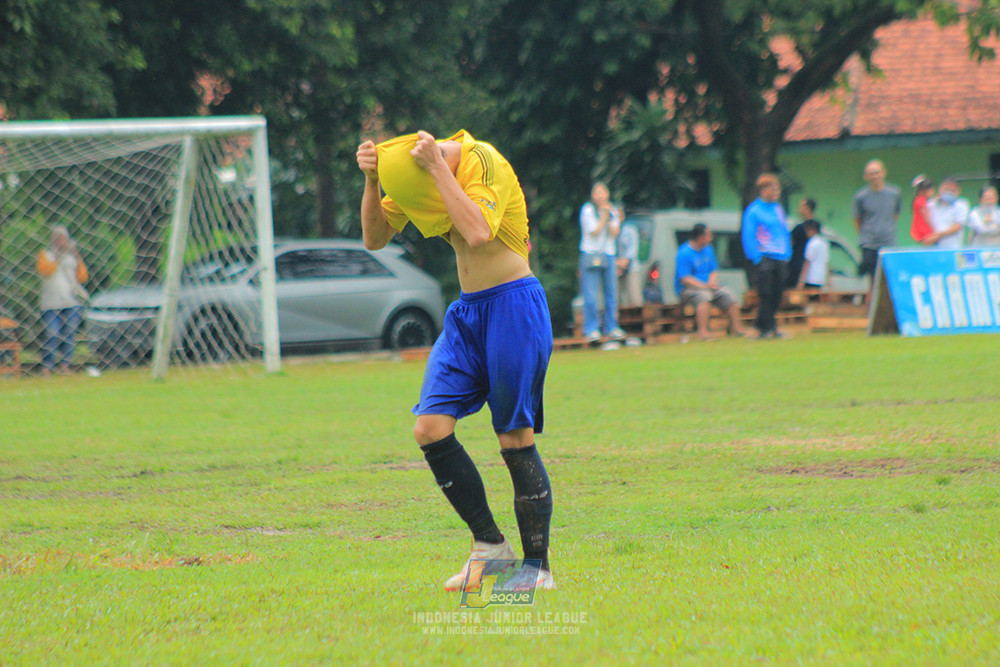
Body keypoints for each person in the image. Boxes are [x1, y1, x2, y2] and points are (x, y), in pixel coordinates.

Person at [356, 129, 555, 592]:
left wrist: (436, 170)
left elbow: (477, 231)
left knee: (513, 437)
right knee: (429, 427)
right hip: (467, 314)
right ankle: (490, 548)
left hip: (513, 306)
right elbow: (373, 237)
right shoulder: (418, 176)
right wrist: (372, 182)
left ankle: (537, 568)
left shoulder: (482, 161)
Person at [675, 223, 749, 340]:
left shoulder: (708, 250)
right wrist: (704, 286)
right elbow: (684, 278)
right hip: (689, 289)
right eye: (708, 235)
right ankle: (703, 333)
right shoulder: (684, 253)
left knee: (729, 294)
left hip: (709, 286)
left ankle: (736, 329)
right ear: (700, 237)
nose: (711, 238)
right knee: (704, 297)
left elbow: (713, 270)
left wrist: (712, 283)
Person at [741, 173, 792, 340]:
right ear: (763, 190)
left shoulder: (778, 209)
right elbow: (748, 234)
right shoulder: (754, 211)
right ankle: (770, 328)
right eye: (773, 188)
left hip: (780, 256)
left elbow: (784, 231)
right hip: (764, 256)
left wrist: (787, 252)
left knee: (777, 294)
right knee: (766, 293)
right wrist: (755, 257)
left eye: (778, 188)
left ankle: (761, 327)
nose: (776, 191)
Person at [36, 225, 89, 375]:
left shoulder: (72, 257)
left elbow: (82, 277)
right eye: (57, 239)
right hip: (51, 303)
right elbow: (45, 271)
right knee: (52, 333)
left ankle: (65, 365)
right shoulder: (46, 255)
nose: (60, 242)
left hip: (71, 302)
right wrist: (58, 255)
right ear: (52, 240)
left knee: (69, 333)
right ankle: (47, 366)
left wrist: (77, 256)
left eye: (63, 239)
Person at [579, 182, 626, 342]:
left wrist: (611, 217)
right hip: (591, 254)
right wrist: (603, 217)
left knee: (611, 293)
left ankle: (612, 327)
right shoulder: (587, 210)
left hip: (609, 254)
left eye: (603, 192)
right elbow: (593, 232)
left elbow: (614, 233)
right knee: (590, 294)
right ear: (593, 195)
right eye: (597, 193)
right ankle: (591, 328)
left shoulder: (612, 209)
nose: (601, 196)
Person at [852, 159, 901, 280]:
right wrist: (866, 235)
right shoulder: (860, 196)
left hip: (888, 243)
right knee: (872, 279)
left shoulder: (894, 193)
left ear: (884, 173)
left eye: (877, 172)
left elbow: (895, 215)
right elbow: (857, 219)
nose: (875, 176)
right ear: (865, 176)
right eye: (871, 173)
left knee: (889, 277)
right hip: (869, 244)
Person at [926, 177, 969, 249]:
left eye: (952, 191)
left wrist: (938, 235)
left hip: (953, 248)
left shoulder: (961, 204)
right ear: (940, 189)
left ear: (958, 192)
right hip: (932, 248)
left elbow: (957, 227)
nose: (949, 192)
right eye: (946, 189)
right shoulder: (930, 204)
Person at [786, 198, 818, 288]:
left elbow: (791, 242)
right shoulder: (818, 226)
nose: (798, 209)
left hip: (798, 266)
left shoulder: (800, 228)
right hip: (810, 270)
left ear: (808, 208)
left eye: (801, 206)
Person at [616, 219, 642, 308]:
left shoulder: (630, 230)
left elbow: (632, 251)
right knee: (618, 298)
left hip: (631, 268)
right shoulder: (609, 230)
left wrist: (623, 263)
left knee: (635, 298)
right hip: (615, 268)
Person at [796, 220, 829, 290]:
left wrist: (801, 280)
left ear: (812, 230)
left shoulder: (812, 243)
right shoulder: (824, 243)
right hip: (821, 279)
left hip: (811, 278)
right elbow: (827, 262)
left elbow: (807, 262)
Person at [910, 175, 936, 244]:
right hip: (923, 230)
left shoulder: (923, 200)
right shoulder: (920, 200)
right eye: (930, 189)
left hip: (923, 230)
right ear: (923, 190)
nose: (933, 191)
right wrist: (934, 229)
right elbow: (926, 217)